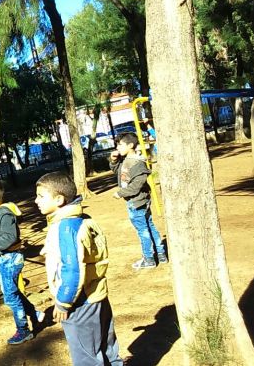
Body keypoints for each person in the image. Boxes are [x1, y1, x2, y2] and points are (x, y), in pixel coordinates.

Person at [35, 171, 122, 365]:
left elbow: (72, 268)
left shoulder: (66, 228)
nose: (36, 201)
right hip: (97, 295)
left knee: (87, 358)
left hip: (80, 303)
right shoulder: (82, 218)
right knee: (107, 349)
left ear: (59, 200)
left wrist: (63, 302)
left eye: (41, 196)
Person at [0, 181, 40, 345]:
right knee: (13, 291)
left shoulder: (4, 214)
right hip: (5, 258)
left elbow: (10, 237)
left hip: (10, 258)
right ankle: (34, 314)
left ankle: (23, 330)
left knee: (10, 296)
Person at [109, 134, 168, 269]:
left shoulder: (137, 163)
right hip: (135, 201)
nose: (117, 148)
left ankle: (149, 259)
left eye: (120, 145)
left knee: (143, 230)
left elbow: (137, 185)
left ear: (130, 145)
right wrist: (113, 161)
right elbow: (119, 172)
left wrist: (120, 193)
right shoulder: (126, 160)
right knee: (149, 226)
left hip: (137, 202)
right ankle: (161, 254)